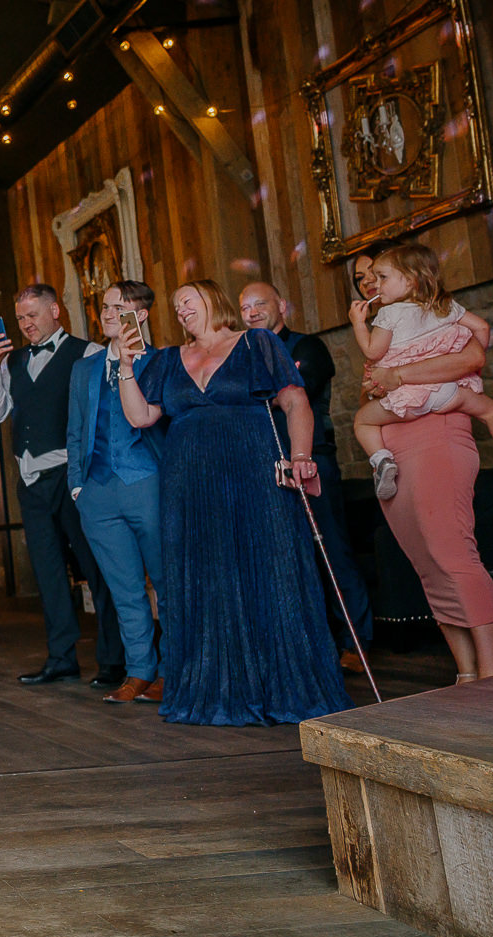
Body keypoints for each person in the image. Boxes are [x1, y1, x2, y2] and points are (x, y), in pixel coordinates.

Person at [115, 280, 352, 726]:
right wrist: (127, 366)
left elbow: (296, 401)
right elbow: (140, 416)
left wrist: (300, 458)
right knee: (208, 577)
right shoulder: (167, 360)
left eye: (188, 298)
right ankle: (218, 687)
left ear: (214, 300)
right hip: (190, 486)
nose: (180, 307)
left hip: (254, 472)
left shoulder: (255, 343)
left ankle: (283, 686)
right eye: (175, 303)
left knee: (269, 568)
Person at [0, 284, 123, 688]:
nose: (26, 325)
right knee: (47, 573)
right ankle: (61, 657)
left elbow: (104, 418)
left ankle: (114, 659)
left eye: (33, 315)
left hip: (74, 476)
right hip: (30, 481)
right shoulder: (13, 361)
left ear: (55, 311)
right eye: (21, 318)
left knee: (95, 566)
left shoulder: (89, 353)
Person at [350, 244, 493, 501]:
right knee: (491, 411)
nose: (375, 285)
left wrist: (358, 324)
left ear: (411, 281)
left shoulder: (389, 314)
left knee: (363, 420)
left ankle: (381, 462)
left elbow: (372, 351)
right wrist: (467, 363)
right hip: (450, 393)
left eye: (382, 277)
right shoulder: (444, 306)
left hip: (410, 400)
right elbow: (481, 328)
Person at [239, 280, 374, 668]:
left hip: (312, 462)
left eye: (259, 304)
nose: (251, 313)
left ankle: (356, 642)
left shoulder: (307, 346)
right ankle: (312, 644)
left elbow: (296, 389)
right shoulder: (245, 352)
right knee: (289, 557)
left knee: (332, 550)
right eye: (245, 307)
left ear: (282, 305)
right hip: (267, 466)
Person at [363, 343, 493, 684]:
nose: (372, 285)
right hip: (392, 451)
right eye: (365, 283)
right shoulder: (381, 342)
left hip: (437, 436)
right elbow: (370, 404)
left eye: (380, 283)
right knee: (427, 566)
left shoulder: (443, 322)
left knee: (454, 556)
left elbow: (473, 358)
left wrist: (396, 376)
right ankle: (468, 673)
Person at [66, 282, 166, 705]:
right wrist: (77, 486)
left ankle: (177, 671)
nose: (107, 313)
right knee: (123, 588)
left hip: (147, 483)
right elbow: (74, 430)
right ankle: (140, 671)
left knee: (167, 582)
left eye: (117, 306)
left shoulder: (162, 362)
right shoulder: (84, 369)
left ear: (139, 316)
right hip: (97, 491)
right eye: (104, 306)